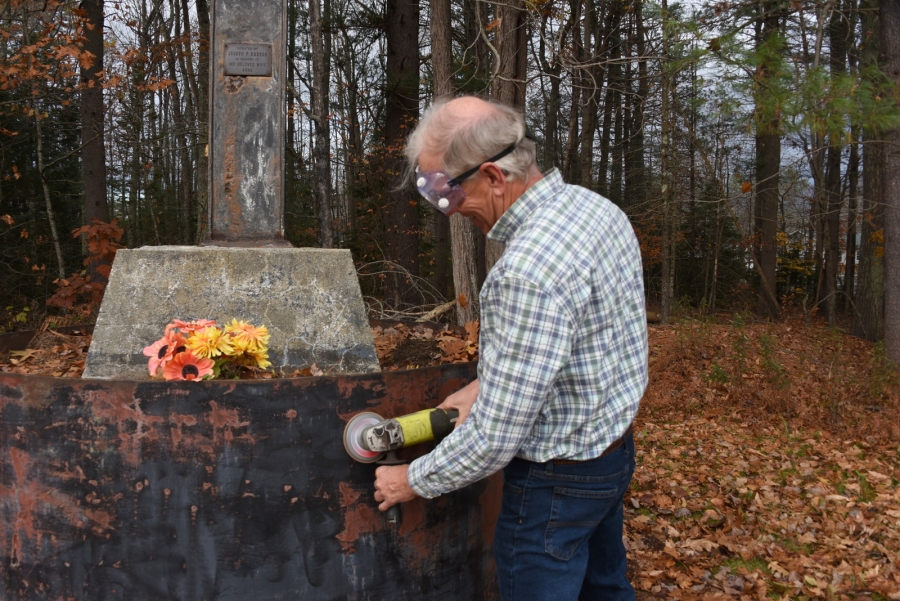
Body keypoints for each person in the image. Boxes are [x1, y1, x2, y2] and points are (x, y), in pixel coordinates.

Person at [373, 96, 648, 601]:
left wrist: (410, 480)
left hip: (555, 485)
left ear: (495, 177)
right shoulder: (597, 211)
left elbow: (496, 438)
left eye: (445, 191)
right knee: (606, 590)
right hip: (611, 455)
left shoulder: (524, 272)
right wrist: (489, 383)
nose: (447, 209)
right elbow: (585, 344)